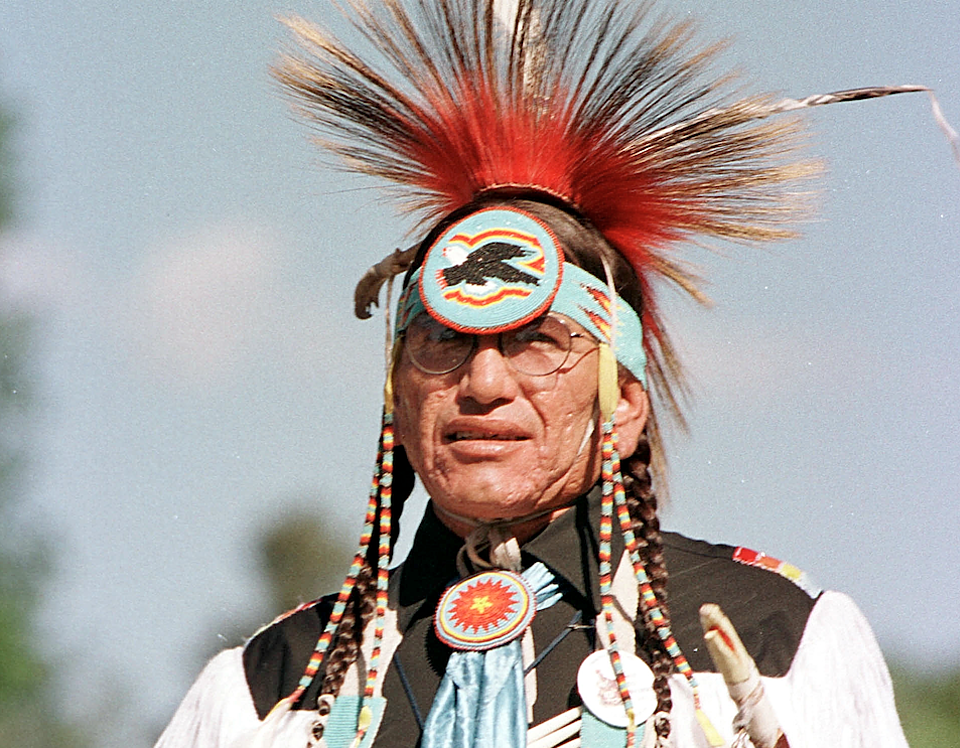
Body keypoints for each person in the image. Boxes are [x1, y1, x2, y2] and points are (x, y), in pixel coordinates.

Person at [155, 1, 910, 746]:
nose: (483, 382)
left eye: (536, 342)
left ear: (622, 409)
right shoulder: (273, 689)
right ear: (398, 397)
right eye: (443, 341)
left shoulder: (769, 637)